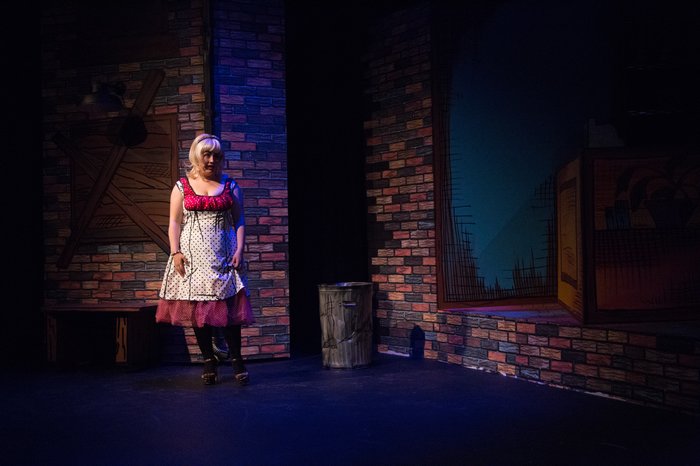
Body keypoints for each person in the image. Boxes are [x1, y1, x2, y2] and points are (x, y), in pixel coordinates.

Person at [156, 133, 254, 386]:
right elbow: (174, 222)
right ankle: (209, 360)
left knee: (229, 310)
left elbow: (239, 220)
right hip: (193, 259)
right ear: (196, 156)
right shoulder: (182, 186)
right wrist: (175, 252)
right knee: (199, 312)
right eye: (207, 155)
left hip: (224, 256)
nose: (212, 160)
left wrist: (240, 250)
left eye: (216, 156)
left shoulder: (230, 185)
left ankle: (236, 360)